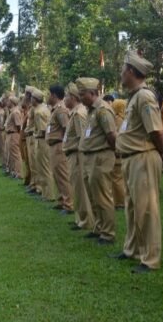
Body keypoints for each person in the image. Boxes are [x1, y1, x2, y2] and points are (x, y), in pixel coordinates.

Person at [113, 51, 163, 273]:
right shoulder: (134, 96)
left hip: (142, 156)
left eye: (123, 70)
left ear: (132, 72)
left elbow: (156, 131)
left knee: (147, 210)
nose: (121, 74)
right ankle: (132, 249)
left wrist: (157, 154)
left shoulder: (144, 97)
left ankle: (150, 258)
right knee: (133, 208)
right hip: (132, 158)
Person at [77, 77, 118, 245]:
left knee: (102, 196)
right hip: (89, 157)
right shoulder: (91, 110)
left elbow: (112, 136)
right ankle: (99, 228)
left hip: (100, 157)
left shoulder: (102, 110)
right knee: (93, 196)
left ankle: (108, 233)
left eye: (83, 94)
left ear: (93, 93)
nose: (80, 98)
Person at [63, 82, 95, 231]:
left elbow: (83, 136)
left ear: (74, 97)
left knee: (81, 189)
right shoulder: (75, 112)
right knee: (76, 189)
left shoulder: (79, 113)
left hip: (78, 155)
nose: (64, 99)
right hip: (73, 154)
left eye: (66, 96)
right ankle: (80, 218)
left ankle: (85, 220)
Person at [47, 84, 73, 213]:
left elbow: (66, 128)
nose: (47, 97)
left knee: (63, 175)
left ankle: (69, 204)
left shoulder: (61, 109)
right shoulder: (55, 109)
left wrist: (64, 145)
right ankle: (62, 200)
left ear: (54, 95)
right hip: (53, 145)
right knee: (57, 175)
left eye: (49, 94)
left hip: (59, 145)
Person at [111, 99, 127, 209]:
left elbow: (117, 136)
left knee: (117, 178)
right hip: (122, 151)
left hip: (117, 152)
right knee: (119, 177)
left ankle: (120, 202)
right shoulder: (124, 119)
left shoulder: (118, 120)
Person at [5, 96, 24, 179]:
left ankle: (18, 173)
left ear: (12, 102)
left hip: (14, 134)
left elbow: (19, 125)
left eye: (8, 101)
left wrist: (18, 136)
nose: (7, 103)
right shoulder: (12, 111)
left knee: (16, 154)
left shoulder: (15, 112)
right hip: (10, 134)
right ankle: (13, 170)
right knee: (11, 154)